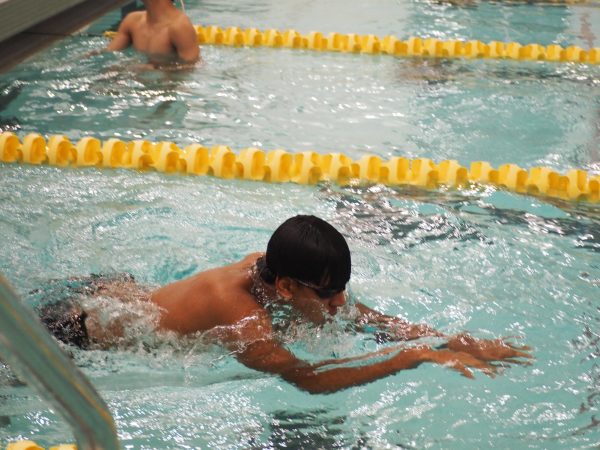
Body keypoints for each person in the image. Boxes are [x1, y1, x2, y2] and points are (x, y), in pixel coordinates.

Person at [38, 215, 532, 394]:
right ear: (290, 288)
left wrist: (450, 338)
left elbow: (367, 320)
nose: (341, 303)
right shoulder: (244, 321)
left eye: (341, 286)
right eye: (328, 293)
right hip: (74, 334)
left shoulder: (273, 269)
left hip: (117, 292)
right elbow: (310, 380)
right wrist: (415, 356)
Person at [106, 0, 200, 65]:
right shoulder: (132, 21)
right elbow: (107, 53)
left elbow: (192, 66)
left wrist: (157, 68)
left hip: (166, 89)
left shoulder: (179, 26)